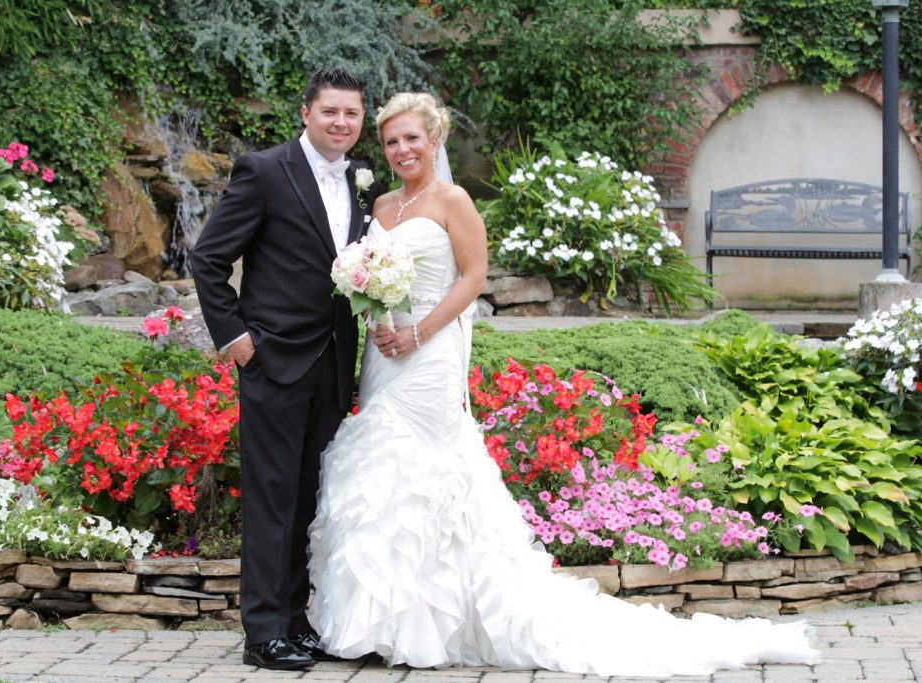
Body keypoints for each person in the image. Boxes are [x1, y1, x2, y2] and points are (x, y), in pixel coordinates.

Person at [305, 92, 821, 676]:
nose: (402, 150)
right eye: (392, 141)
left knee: (426, 473)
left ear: (434, 139)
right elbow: (370, 279)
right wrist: (382, 326)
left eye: (411, 139)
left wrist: (419, 333)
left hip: (430, 352)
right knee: (381, 472)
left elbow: (473, 278)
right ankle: (386, 622)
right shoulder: (383, 203)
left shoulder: (454, 200)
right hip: (386, 354)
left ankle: (433, 624)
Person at [189, 67, 381, 671]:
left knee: (309, 499)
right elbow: (208, 259)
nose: (341, 123)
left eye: (351, 114)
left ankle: (297, 623)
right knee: (272, 498)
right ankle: (263, 631)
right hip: (273, 361)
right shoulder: (265, 171)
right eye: (330, 112)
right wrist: (238, 340)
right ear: (306, 112)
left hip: (331, 362)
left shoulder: (359, 181)